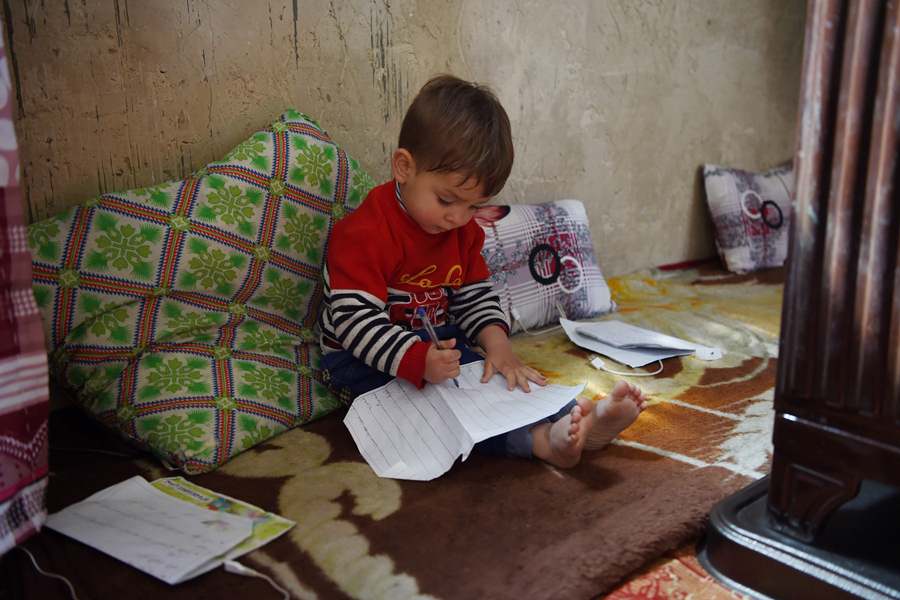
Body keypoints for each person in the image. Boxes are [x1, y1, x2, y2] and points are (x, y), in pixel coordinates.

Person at [319, 74, 645, 469]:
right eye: (447, 200)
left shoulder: (461, 232)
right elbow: (354, 323)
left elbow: (475, 295)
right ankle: (540, 442)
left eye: (474, 207)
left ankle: (572, 414)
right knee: (433, 410)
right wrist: (415, 359)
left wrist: (498, 346)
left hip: (436, 343)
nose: (458, 218)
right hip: (361, 359)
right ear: (404, 167)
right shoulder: (364, 233)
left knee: (495, 375)